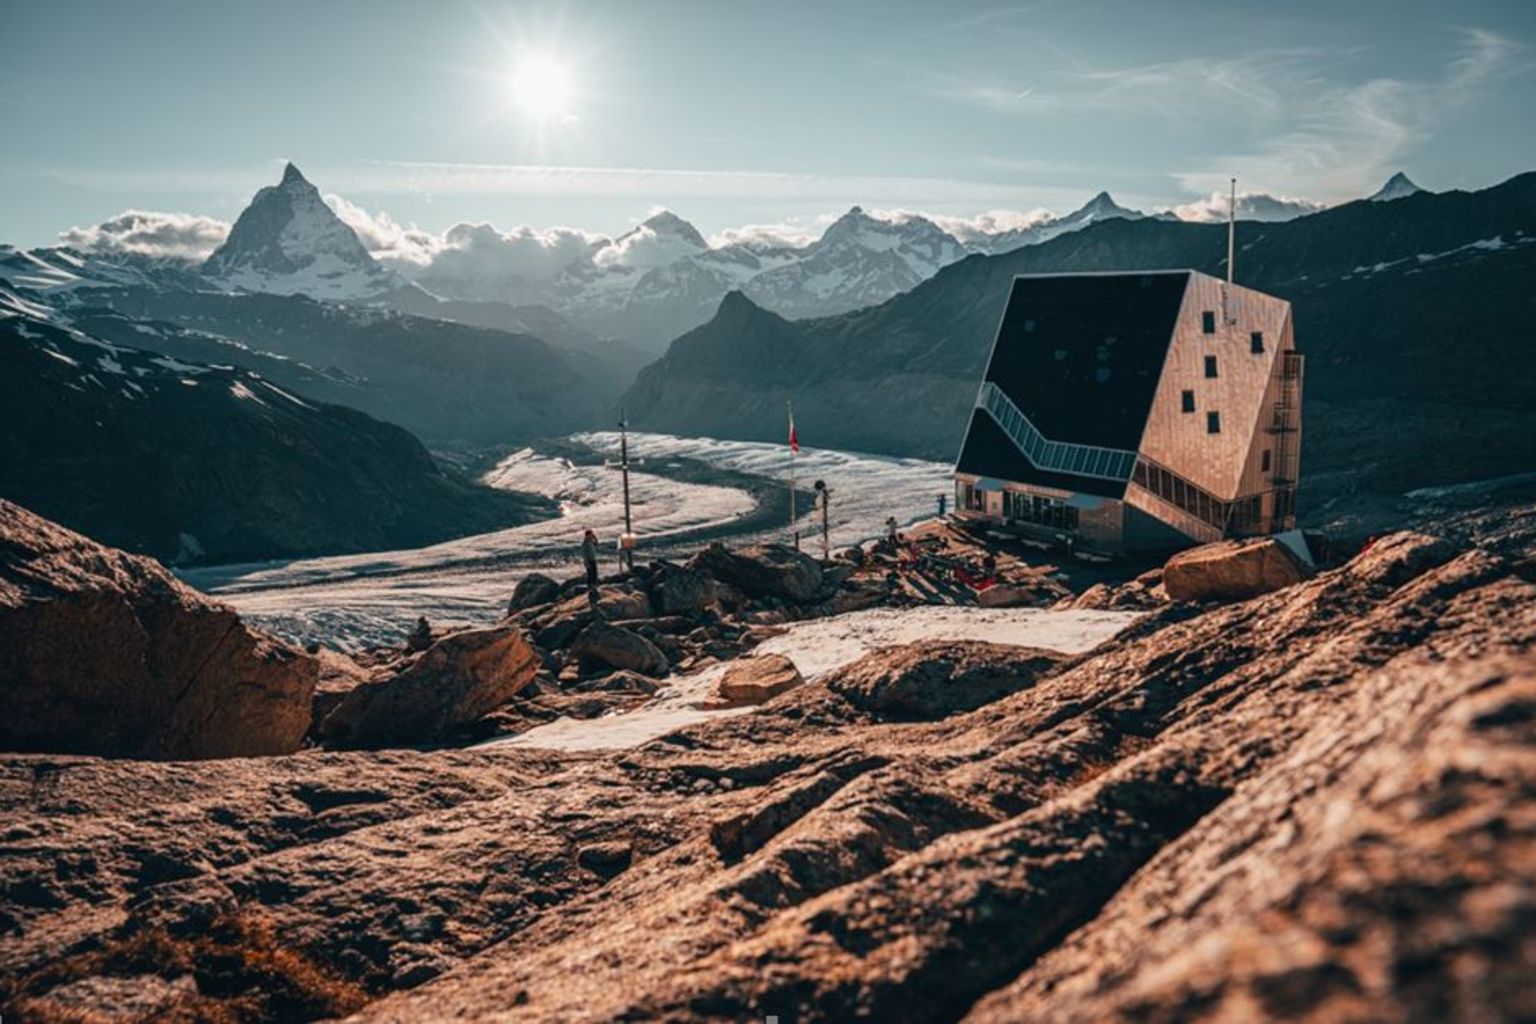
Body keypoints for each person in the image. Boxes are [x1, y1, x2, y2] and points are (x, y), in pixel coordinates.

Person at [581, 529, 600, 609]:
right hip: (589, 560)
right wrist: (586, 562)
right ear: (587, 535)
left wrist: (595, 538)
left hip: (593, 559)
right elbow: (584, 553)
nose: (591, 536)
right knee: (590, 574)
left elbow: (597, 544)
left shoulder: (590, 542)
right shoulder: (585, 543)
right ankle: (590, 588)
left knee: (595, 573)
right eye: (590, 535)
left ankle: (594, 586)